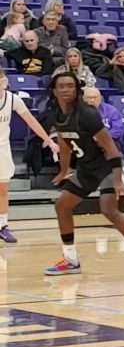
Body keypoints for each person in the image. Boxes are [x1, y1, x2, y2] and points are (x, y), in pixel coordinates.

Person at [43, 72, 124, 279]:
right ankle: (70, 260)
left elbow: (111, 148)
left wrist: (119, 181)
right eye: (62, 86)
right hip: (86, 169)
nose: (66, 89)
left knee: (108, 210)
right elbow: (64, 144)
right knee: (62, 206)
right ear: (54, 90)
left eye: (70, 85)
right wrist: (64, 169)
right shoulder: (56, 114)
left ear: (77, 89)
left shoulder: (87, 114)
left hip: (107, 166)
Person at [0, 68, 60, 243]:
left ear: (4, 80)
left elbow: (32, 122)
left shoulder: (13, 99)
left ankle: (2, 226)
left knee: (2, 189)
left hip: (2, 149)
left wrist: (49, 141)